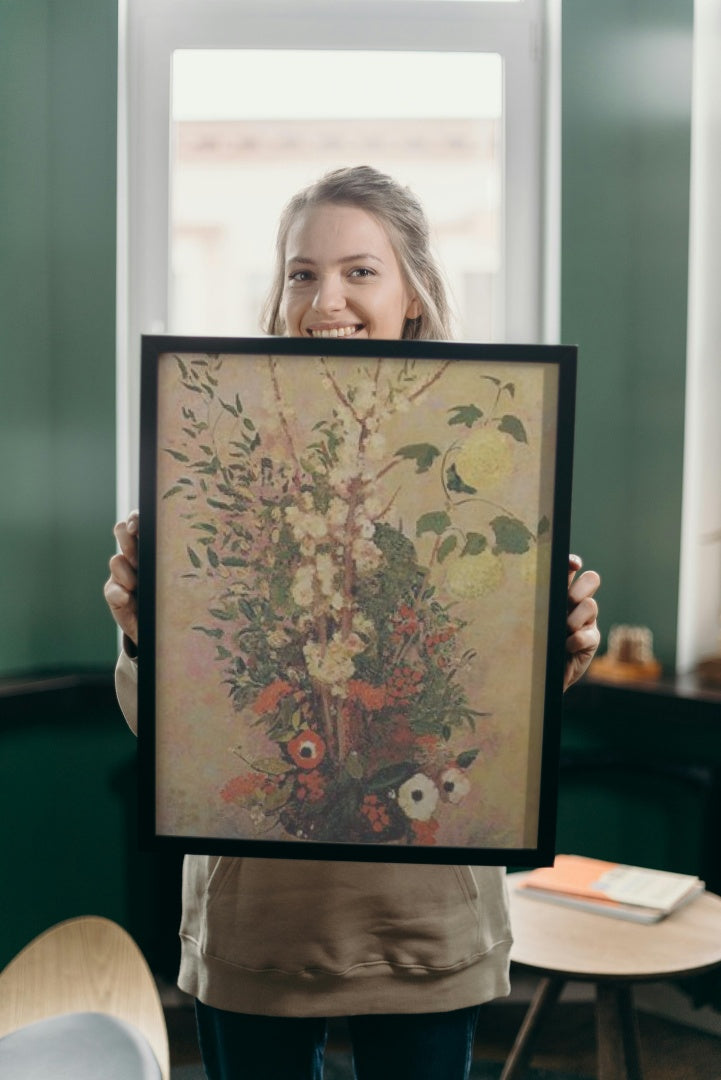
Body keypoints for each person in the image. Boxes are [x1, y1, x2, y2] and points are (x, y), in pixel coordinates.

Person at [105, 166, 601, 1080]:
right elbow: (176, 731)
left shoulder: (479, 459)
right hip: (258, 921)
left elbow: (488, 719)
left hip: (423, 918)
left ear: (412, 292)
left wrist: (553, 649)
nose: (324, 298)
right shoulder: (223, 455)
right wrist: (145, 636)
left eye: (359, 271)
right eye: (301, 272)